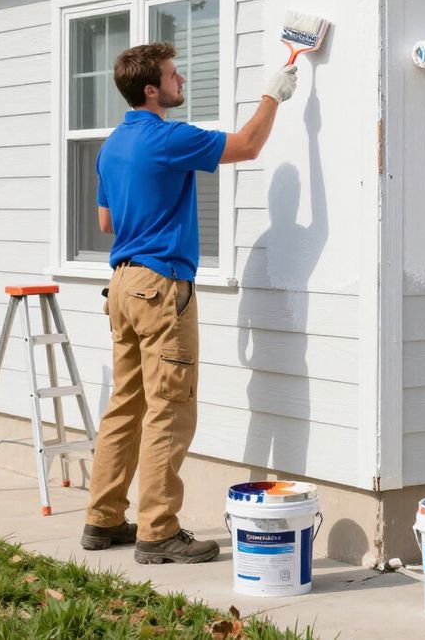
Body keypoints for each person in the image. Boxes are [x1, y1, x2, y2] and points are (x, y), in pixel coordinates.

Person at [80, 43, 298, 564]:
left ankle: (102, 519)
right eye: (174, 76)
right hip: (160, 288)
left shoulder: (111, 147)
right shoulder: (167, 137)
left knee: (125, 405)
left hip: (123, 286)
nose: (182, 82)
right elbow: (246, 146)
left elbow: (106, 224)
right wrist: (274, 94)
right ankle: (158, 532)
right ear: (150, 89)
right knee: (169, 410)